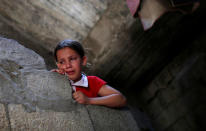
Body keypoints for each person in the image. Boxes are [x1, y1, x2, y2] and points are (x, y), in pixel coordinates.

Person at [51, 39, 126, 107]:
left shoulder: (92, 81)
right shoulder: (58, 78)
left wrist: (89, 100)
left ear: (83, 60)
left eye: (72, 59)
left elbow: (121, 99)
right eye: (62, 62)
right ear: (58, 65)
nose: (68, 65)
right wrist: (51, 78)